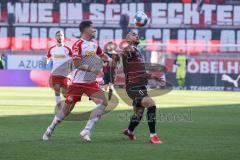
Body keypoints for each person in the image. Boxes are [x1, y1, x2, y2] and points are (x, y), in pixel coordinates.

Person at [43, 21, 112, 142]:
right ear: (85, 30)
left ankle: (86, 130)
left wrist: (110, 59)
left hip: (90, 82)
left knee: (103, 103)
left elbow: (103, 55)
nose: (94, 30)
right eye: (92, 28)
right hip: (77, 83)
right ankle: (50, 128)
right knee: (65, 112)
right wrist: (94, 69)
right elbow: (77, 64)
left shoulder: (94, 45)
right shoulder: (78, 45)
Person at [120, 31, 165, 144]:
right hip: (133, 86)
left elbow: (141, 72)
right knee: (151, 104)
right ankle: (153, 136)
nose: (136, 35)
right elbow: (125, 51)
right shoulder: (130, 50)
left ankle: (129, 131)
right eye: (133, 34)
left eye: (136, 34)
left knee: (139, 112)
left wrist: (154, 77)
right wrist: (126, 49)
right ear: (128, 39)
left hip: (140, 85)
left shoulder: (138, 52)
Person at [45, 30, 73, 106]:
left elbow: (74, 58)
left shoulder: (68, 48)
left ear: (63, 37)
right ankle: (59, 108)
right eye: (58, 35)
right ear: (55, 37)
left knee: (65, 94)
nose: (60, 37)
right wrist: (46, 60)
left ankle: (69, 104)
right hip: (55, 73)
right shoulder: (52, 49)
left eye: (61, 35)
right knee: (56, 90)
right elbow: (47, 57)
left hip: (65, 73)